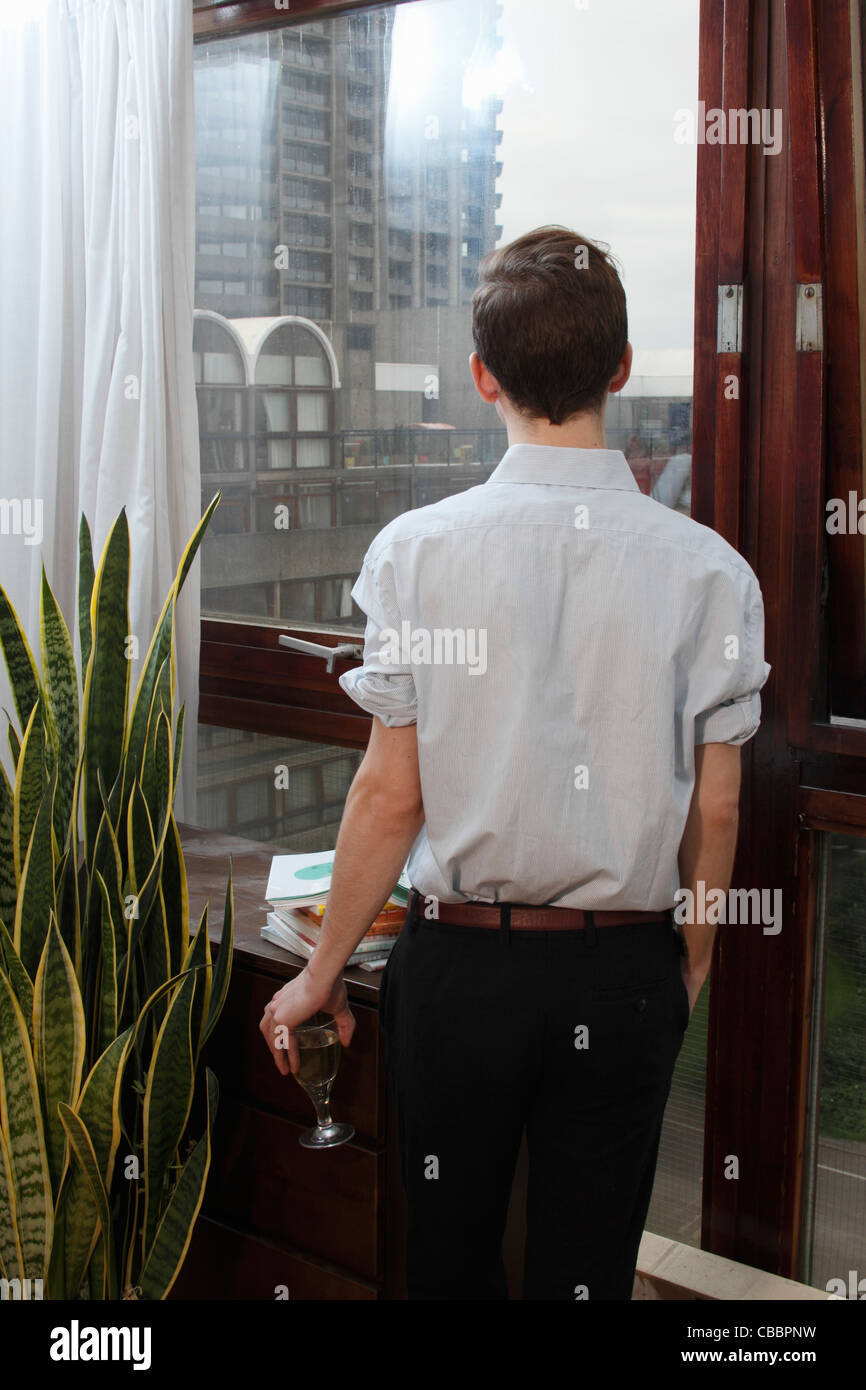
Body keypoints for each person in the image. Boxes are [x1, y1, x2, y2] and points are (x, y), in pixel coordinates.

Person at [259, 225, 771, 1300]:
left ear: (481, 375)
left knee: (445, 1265)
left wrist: (319, 974)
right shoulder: (709, 572)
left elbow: (388, 795)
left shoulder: (416, 551)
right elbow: (713, 811)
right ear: (621, 371)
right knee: (586, 1276)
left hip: (462, 976)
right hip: (623, 968)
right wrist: (686, 962)